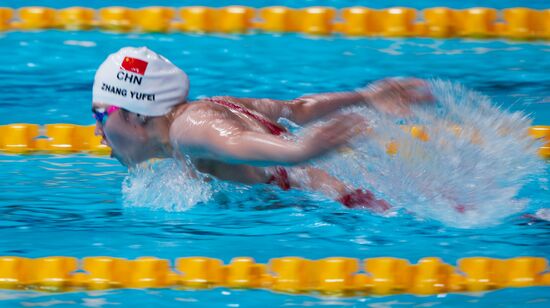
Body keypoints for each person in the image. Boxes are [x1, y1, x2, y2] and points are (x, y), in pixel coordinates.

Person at [92, 47, 433, 213]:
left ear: (136, 114)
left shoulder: (187, 129)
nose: (98, 131)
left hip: (341, 209)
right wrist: (367, 96)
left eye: (100, 115)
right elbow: (299, 108)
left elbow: (237, 142)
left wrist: (299, 151)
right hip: (351, 196)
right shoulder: (215, 105)